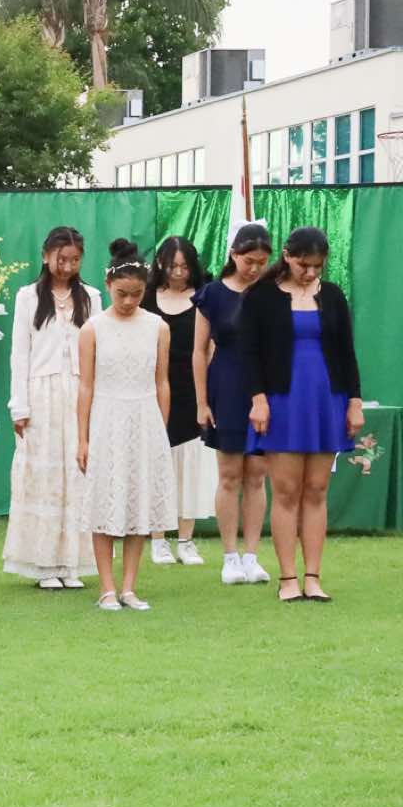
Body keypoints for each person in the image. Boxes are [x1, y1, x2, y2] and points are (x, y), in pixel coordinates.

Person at [241, 226, 362, 604]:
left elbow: (347, 352)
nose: (310, 273)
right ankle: (288, 578)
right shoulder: (261, 295)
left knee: (317, 490)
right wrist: (258, 399)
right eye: (303, 265)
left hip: (327, 399)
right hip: (282, 401)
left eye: (317, 266)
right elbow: (250, 353)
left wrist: (354, 402)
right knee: (286, 491)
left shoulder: (334, 296)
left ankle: (313, 577)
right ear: (287, 256)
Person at [77, 241, 177, 612]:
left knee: (139, 503)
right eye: (122, 294)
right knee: (104, 502)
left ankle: (129, 587)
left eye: (137, 294)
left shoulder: (158, 327)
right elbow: (85, 386)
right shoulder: (92, 329)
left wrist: (160, 429)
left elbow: (162, 381)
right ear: (108, 285)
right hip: (106, 419)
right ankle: (107, 588)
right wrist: (83, 438)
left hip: (145, 418)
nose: (129, 301)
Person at [2, 226, 100, 591]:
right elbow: (20, 353)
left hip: (79, 392)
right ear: (46, 256)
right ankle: (44, 564)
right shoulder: (28, 297)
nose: (68, 266)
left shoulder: (92, 297)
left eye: (75, 260)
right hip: (40, 395)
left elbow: (97, 352)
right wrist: (19, 406)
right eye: (62, 259)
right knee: (43, 477)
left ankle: (72, 562)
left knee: (77, 474)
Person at [195, 223, 274, 586]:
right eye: (248, 260)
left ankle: (252, 556)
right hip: (225, 386)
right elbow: (199, 352)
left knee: (257, 475)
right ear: (233, 254)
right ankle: (229, 557)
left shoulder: (272, 293)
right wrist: (202, 402)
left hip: (266, 390)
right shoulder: (212, 293)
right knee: (229, 475)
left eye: (261, 262)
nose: (254, 268)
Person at [143, 237, 213, 567]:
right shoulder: (146, 297)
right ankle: (157, 539)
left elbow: (209, 347)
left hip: (192, 388)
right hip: (152, 389)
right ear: (161, 265)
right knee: (158, 464)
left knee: (191, 467)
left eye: (185, 267)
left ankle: (186, 540)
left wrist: (205, 394)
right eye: (173, 267)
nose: (179, 273)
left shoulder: (203, 297)